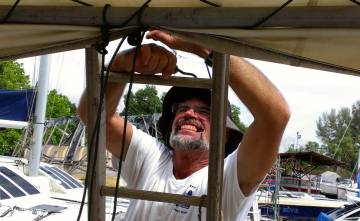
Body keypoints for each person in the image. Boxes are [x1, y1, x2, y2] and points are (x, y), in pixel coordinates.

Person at [78, 30, 290, 220]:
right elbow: (95, 117)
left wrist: (201, 45)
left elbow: (275, 116)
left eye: (204, 112)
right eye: (181, 109)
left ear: (224, 134)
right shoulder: (153, 158)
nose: (189, 114)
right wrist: (121, 66)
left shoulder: (228, 178)